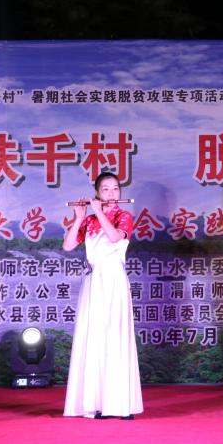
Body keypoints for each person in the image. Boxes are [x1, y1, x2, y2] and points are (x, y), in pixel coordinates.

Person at [61, 172, 143, 420]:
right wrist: (79, 217)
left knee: (114, 337)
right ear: (97, 193)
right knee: (94, 337)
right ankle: (94, 403)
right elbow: (67, 246)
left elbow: (115, 237)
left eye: (115, 189)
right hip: (94, 280)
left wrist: (98, 212)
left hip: (114, 279)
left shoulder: (124, 216)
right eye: (105, 189)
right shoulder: (88, 221)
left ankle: (120, 405)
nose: (111, 193)